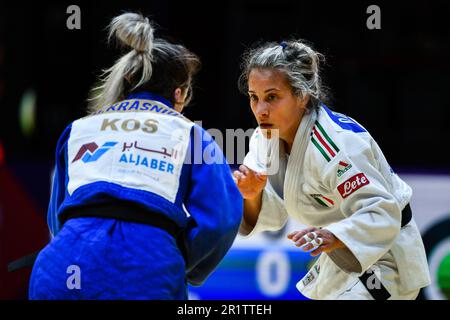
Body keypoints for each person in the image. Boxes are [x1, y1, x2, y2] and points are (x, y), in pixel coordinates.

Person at [29, 12, 243, 300]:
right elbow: (222, 221)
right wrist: (176, 258)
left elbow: (59, 217)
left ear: (128, 81)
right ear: (179, 94)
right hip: (146, 271)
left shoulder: (78, 129)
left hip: (59, 267)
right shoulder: (192, 134)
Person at [233, 39, 431, 300]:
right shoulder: (265, 138)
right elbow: (273, 210)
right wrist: (252, 194)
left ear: (302, 96)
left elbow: (382, 211)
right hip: (343, 255)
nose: (260, 110)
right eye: (254, 97)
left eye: (272, 97)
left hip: (386, 255)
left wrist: (333, 234)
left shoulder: (335, 145)